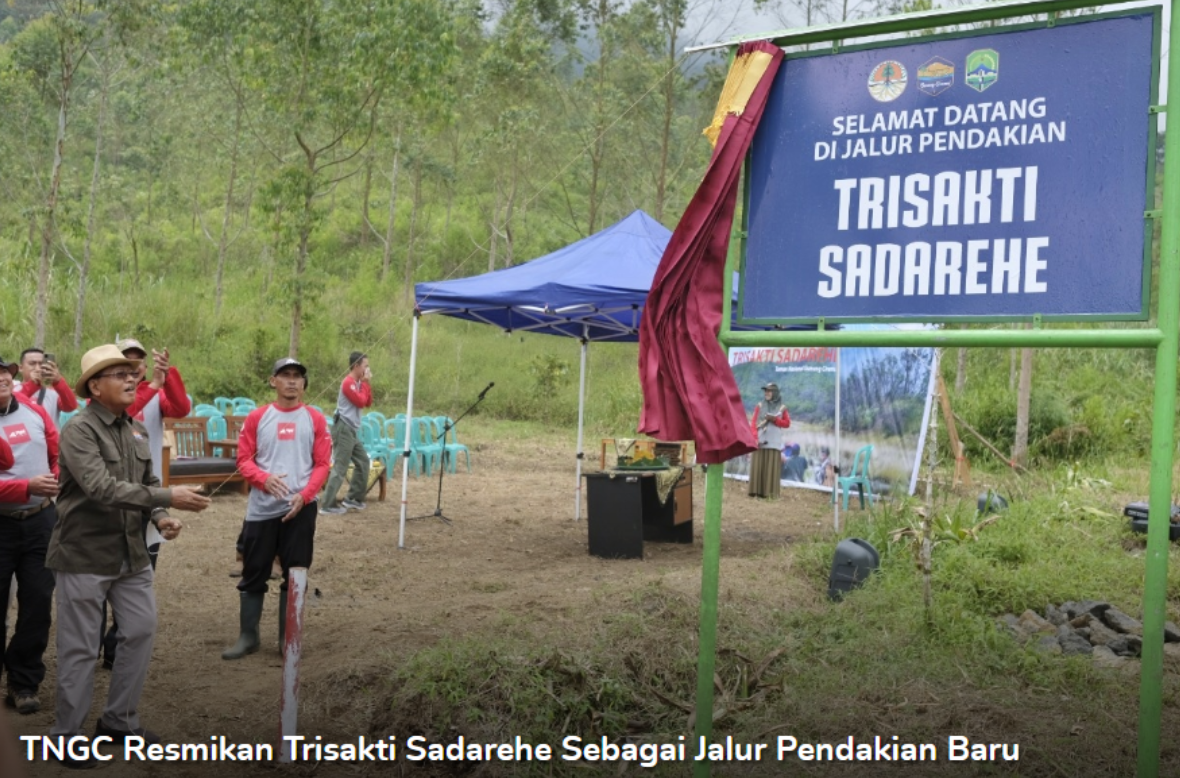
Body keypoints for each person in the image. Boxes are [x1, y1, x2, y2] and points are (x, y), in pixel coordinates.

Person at [46, 344, 211, 766]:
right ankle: (66, 735)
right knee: (80, 648)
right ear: (94, 387)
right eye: (118, 373)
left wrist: (158, 516)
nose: (130, 378)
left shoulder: (135, 428)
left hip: (131, 553)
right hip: (84, 554)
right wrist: (167, 497)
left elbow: (148, 480)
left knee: (139, 630)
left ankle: (118, 721)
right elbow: (102, 488)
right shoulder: (79, 430)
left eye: (131, 372)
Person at [223, 358, 330, 660]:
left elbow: (322, 464)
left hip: (301, 508)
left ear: (304, 383)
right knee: (254, 570)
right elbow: (243, 460)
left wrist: (306, 495)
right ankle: (248, 637)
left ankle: (288, 639)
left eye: (298, 376)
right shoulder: (258, 418)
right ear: (273, 381)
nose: (292, 381)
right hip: (262, 508)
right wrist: (264, 479)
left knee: (296, 571)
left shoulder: (315, 419)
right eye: (285, 376)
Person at [98, 340, 192, 669]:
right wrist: (152, 384)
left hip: (149, 497)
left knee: (141, 572)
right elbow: (129, 409)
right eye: (126, 362)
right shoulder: (105, 398)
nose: (135, 368)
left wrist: (168, 374)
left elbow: (181, 409)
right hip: (112, 498)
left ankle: (117, 646)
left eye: (139, 362)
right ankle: (91, 644)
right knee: (102, 576)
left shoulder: (154, 392)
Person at [0, 356, 60, 716]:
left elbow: (54, 454)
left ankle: (23, 682)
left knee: (37, 603)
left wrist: (52, 479)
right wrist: (27, 486)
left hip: (40, 522)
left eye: (4, 371)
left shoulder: (35, 413)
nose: (2, 377)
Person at [319, 351, 371, 515]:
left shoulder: (358, 383)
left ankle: (353, 498)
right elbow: (361, 401)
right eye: (365, 366)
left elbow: (368, 401)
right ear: (356, 366)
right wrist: (364, 384)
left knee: (363, 462)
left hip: (352, 430)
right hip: (343, 428)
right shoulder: (348, 383)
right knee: (341, 466)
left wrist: (366, 384)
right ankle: (327, 503)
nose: (367, 369)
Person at [16, 348, 78, 428]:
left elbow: (70, 407)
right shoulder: (12, 390)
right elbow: (13, 404)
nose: (38, 368)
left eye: (41, 364)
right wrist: (32, 385)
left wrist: (58, 381)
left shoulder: (53, 392)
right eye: (32, 364)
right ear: (20, 368)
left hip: (48, 439)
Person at [748, 383, 790, 498]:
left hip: (773, 441)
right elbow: (754, 423)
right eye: (765, 391)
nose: (766, 393)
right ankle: (756, 491)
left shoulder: (782, 407)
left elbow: (787, 423)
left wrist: (775, 420)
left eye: (769, 391)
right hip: (761, 440)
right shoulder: (760, 405)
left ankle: (769, 493)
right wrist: (755, 438)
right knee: (758, 465)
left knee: (771, 467)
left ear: (775, 392)